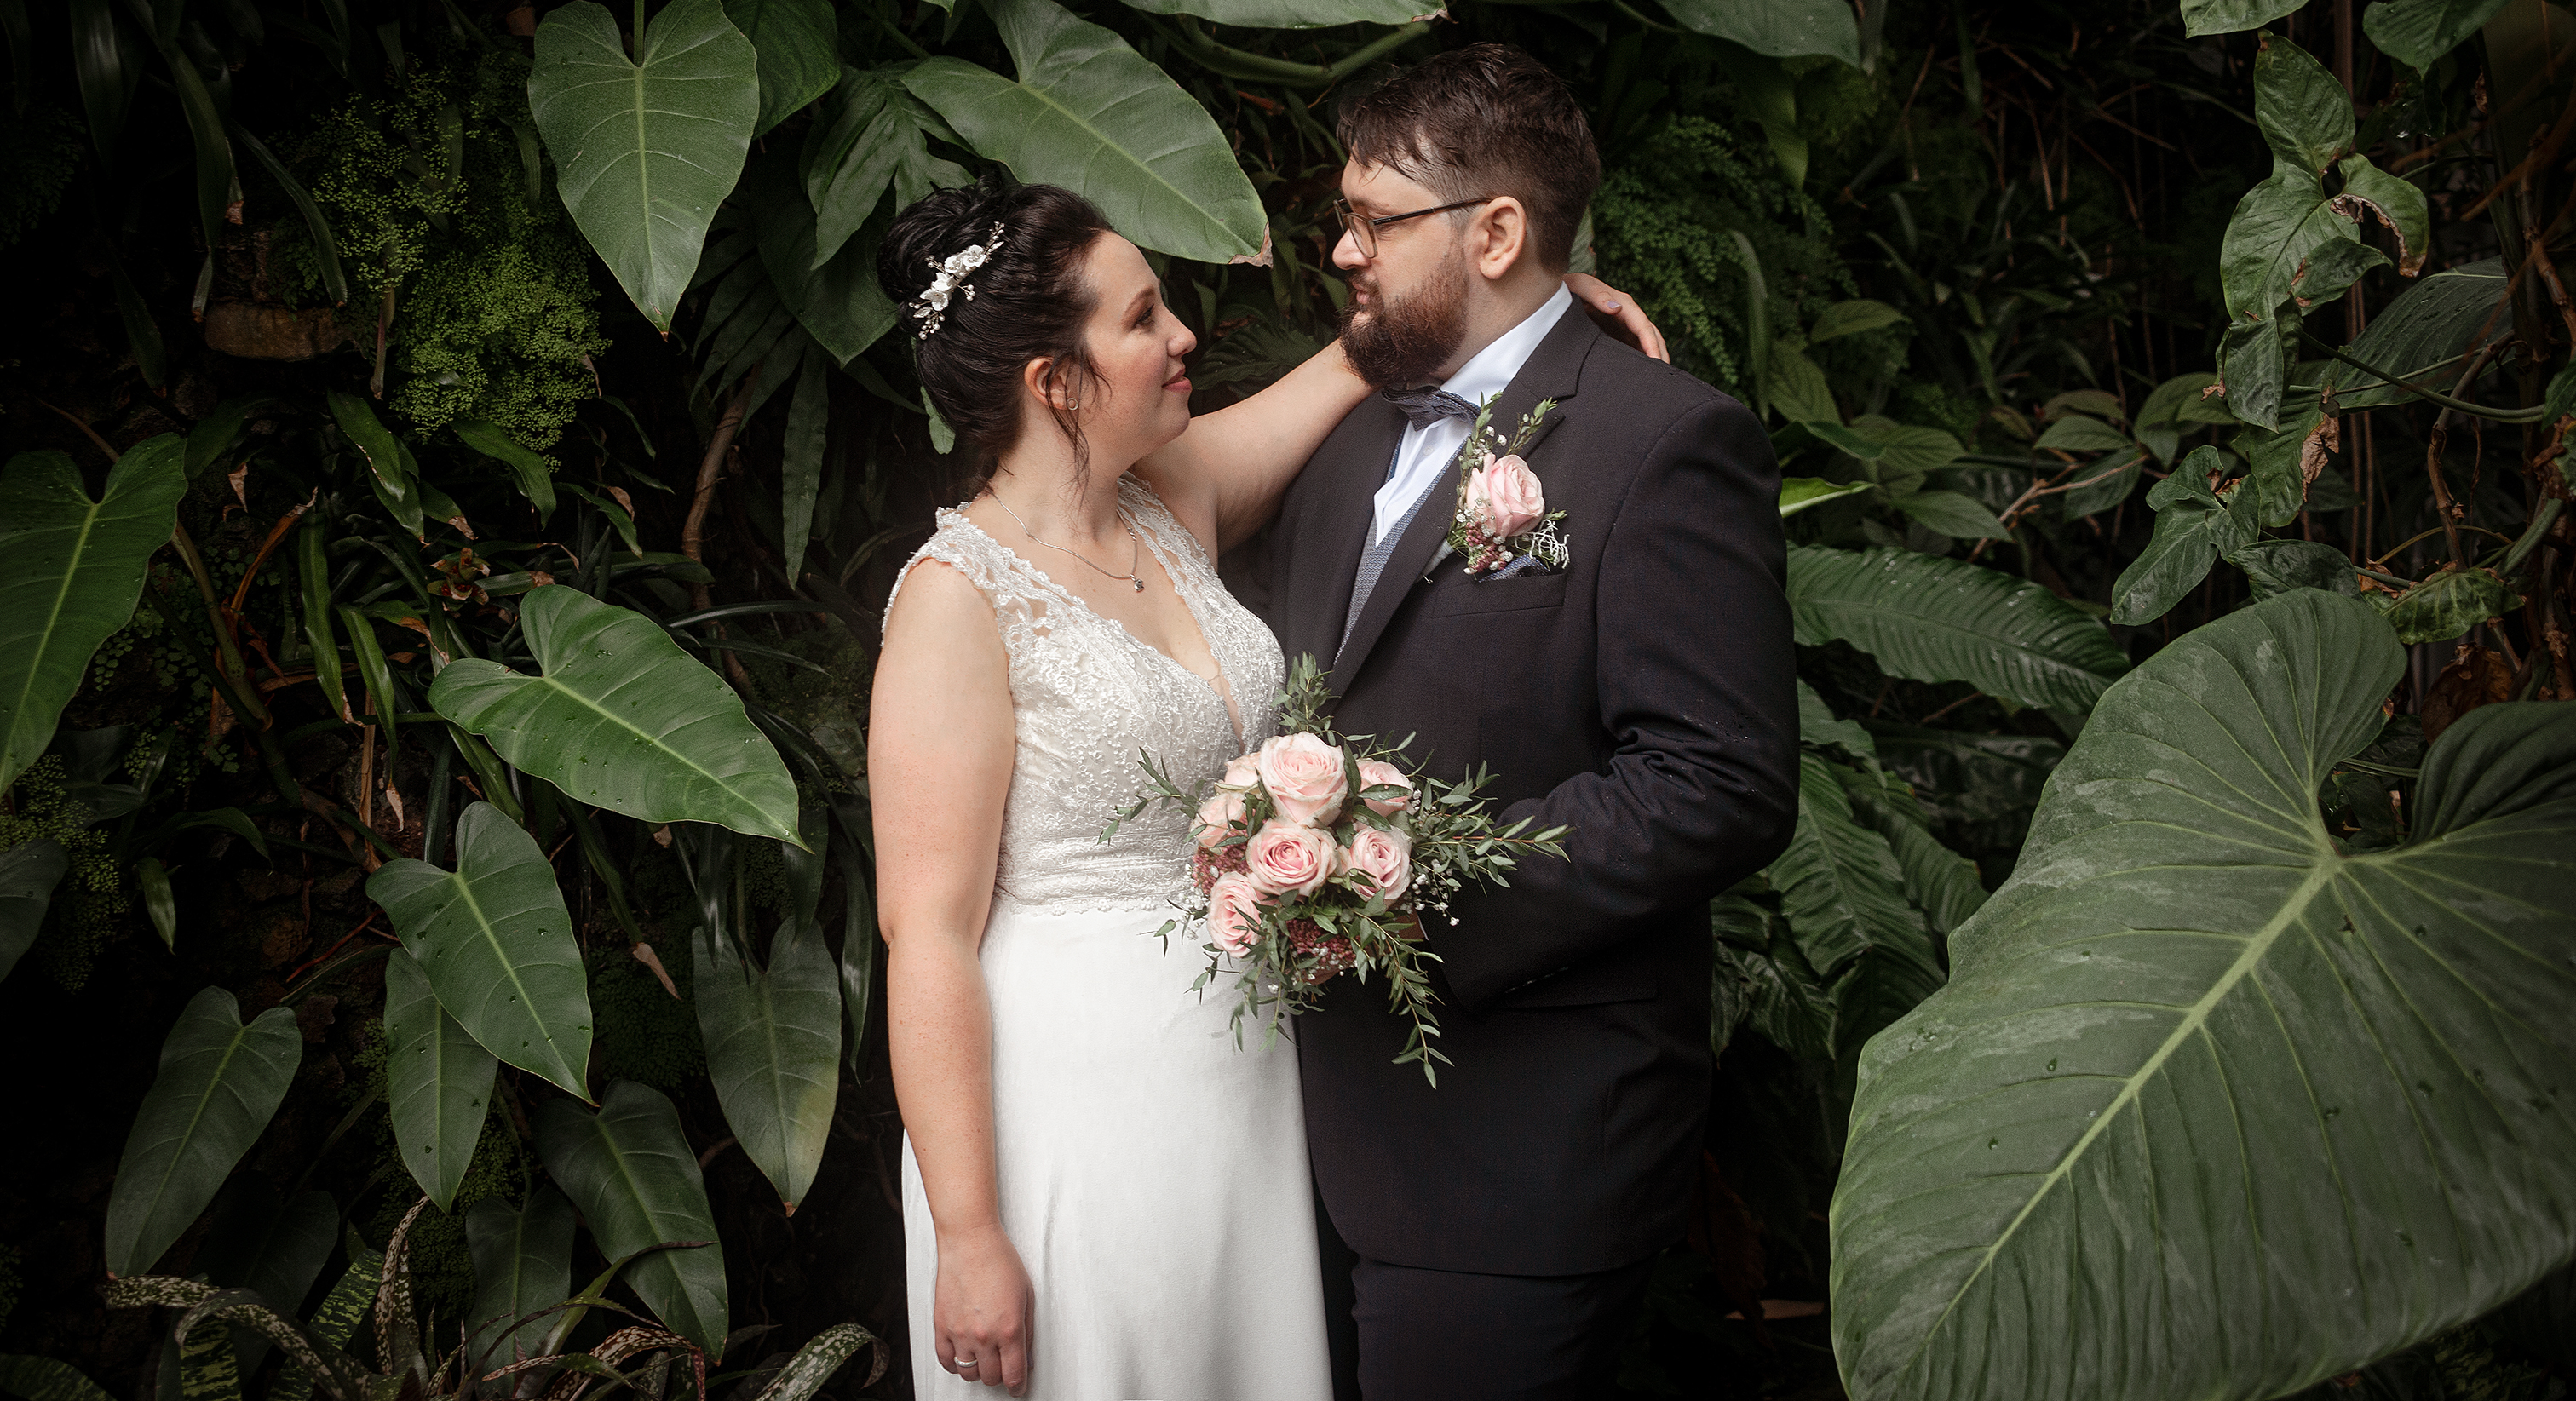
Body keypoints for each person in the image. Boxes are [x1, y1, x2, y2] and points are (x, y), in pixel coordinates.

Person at [866, 174, 1663, 1398]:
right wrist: (969, 1232)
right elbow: (923, 934)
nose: (1184, 334)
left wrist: (1536, 316)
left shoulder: (1166, 499)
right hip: (1076, 1093)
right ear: (1053, 383)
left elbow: (1355, 361)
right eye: (1141, 320)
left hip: (1238, 1085)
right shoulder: (953, 601)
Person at [1236, 43, 1799, 1397]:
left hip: (1519, 1156)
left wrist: (1418, 872)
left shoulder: (1662, 441)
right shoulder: (1341, 433)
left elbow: (1718, 778)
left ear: (1495, 230)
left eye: (1374, 220)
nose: (1341, 249)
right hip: (1283, 1146)